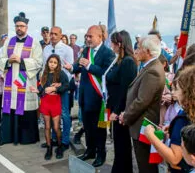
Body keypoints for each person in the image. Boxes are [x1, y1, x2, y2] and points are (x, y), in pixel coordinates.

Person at [144, 63, 195, 173]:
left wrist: (151, 136)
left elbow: (174, 158)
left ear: (188, 93)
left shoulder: (183, 119)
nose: (174, 93)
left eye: (178, 89)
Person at [64, 25, 116, 167]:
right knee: (87, 127)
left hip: (98, 98)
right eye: (86, 36)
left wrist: (89, 66)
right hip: (84, 96)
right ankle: (90, 151)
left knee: (98, 129)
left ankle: (101, 154)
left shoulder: (107, 53)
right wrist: (71, 68)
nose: (87, 39)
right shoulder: (86, 50)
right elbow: (79, 66)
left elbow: (107, 73)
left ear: (100, 37)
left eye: (90, 36)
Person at [118, 35, 165, 173]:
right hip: (139, 123)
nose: (136, 51)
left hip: (143, 125)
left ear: (148, 51)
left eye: (139, 48)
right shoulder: (149, 66)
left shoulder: (153, 71)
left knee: (146, 166)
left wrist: (125, 116)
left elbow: (142, 101)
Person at [0, 12, 43, 146]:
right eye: (17, 26)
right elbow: (0, 58)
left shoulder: (34, 43)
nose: (19, 28)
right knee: (9, 107)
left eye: (22, 26)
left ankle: (26, 138)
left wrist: (22, 60)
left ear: (26, 27)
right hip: (10, 81)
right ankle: (7, 137)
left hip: (25, 80)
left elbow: (39, 62)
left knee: (24, 108)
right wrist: (8, 61)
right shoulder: (8, 42)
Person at [105, 31, 138, 173]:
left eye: (113, 43)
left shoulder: (128, 62)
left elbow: (126, 90)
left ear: (120, 44)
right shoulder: (120, 60)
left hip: (121, 110)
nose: (111, 46)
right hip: (115, 106)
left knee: (122, 144)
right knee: (118, 144)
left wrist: (117, 111)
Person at [30, 54, 69, 160]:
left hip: (55, 102)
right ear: (47, 62)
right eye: (50, 62)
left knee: (56, 127)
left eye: (55, 62)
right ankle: (49, 148)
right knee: (47, 127)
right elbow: (41, 89)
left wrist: (55, 89)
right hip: (45, 102)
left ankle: (60, 146)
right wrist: (37, 91)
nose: (52, 64)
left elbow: (67, 85)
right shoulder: (44, 74)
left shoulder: (61, 73)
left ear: (58, 64)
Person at [42, 26, 74, 150]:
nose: (53, 36)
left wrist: (60, 84)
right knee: (51, 114)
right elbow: (45, 68)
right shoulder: (46, 49)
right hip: (49, 89)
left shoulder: (67, 49)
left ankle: (65, 141)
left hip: (62, 88)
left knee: (64, 114)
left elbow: (69, 70)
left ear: (61, 35)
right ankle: (54, 139)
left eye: (56, 34)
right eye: (51, 34)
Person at [158, 54, 175, 127]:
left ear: (164, 64)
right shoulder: (155, 76)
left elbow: (174, 93)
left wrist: (165, 97)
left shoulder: (171, 76)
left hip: (167, 108)